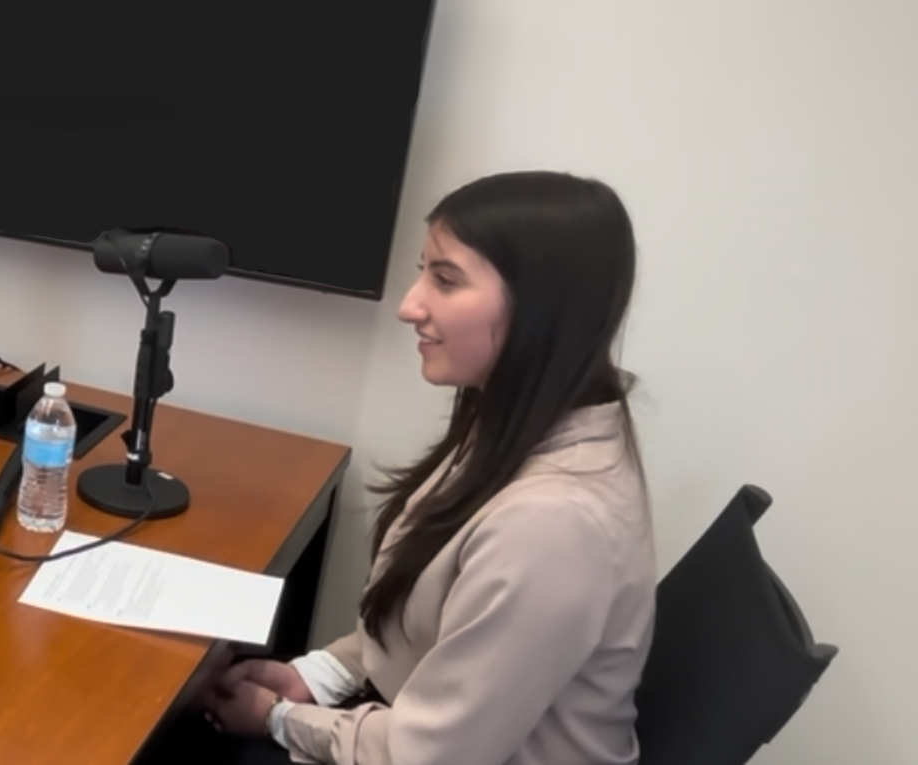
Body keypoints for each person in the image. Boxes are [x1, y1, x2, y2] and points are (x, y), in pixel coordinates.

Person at [201, 170, 654, 765]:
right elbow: (428, 625)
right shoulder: (522, 421)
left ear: (541, 308)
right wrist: (319, 676)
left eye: (445, 279)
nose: (410, 305)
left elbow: (429, 757)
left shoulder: (553, 526)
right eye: (424, 270)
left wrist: (278, 719)